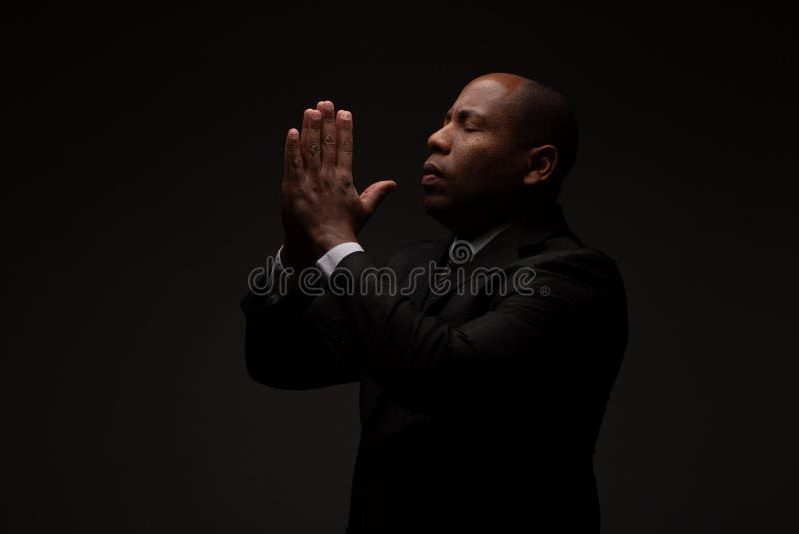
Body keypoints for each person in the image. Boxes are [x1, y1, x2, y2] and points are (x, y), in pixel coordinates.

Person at [240, 73, 628, 533]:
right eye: (444, 121)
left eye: (468, 126)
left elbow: (441, 372)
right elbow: (280, 362)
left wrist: (333, 240)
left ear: (538, 165)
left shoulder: (575, 278)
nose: (436, 138)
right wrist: (302, 254)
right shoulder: (411, 266)